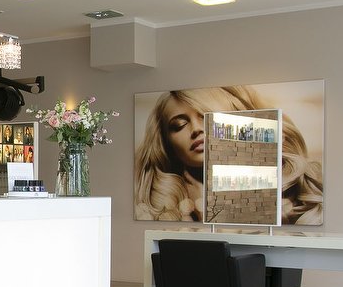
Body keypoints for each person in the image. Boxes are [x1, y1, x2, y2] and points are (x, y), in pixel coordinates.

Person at [134, 86, 323, 224]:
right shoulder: (154, 210)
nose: (197, 129)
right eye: (179, 125)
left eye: (206, 116)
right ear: (167, 144)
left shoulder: (300, 198)